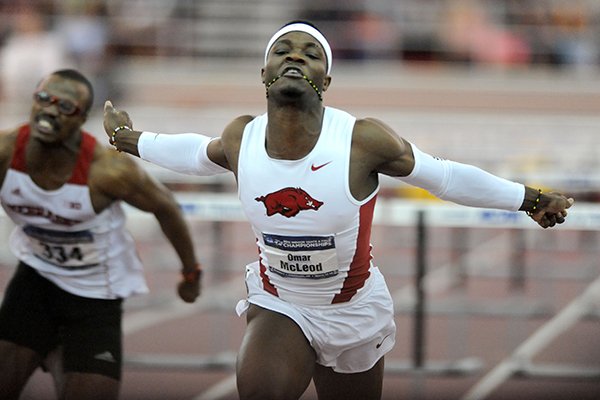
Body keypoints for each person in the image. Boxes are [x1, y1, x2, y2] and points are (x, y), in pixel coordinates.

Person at [103, 21, 574, 400]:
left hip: (353, 309)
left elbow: (445, 177)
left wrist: (527, 199)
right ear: (264, 73)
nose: (294, 57)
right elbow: (194, 155)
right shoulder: (240, 136)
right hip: (281, 302)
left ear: (326, 80)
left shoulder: (362, 140)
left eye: (310, 53)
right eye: (282, 50)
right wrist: (130, 140)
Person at [0, 69, 202, 400]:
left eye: (65, 107)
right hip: (34, 282)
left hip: (95, 299)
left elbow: (166, 208)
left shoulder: (107, 171)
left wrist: (191, 272)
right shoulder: (6, 153)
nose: (50, 110)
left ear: (81, 118)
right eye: (43, 100)